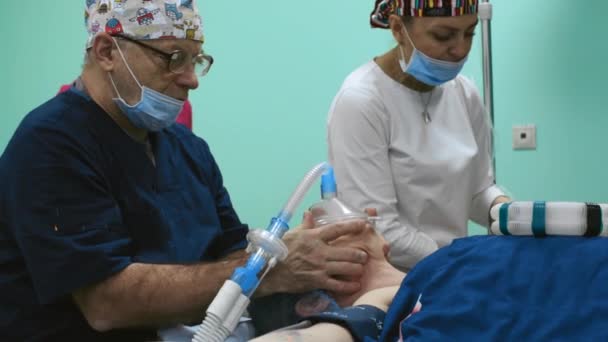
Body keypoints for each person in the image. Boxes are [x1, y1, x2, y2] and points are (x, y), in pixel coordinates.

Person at [0, 1, 372, 340]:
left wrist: (304, 251)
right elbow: (106, 304)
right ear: (107, 51)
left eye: (196, 60)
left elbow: (232, 252)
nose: (191, 78)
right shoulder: (51, 144)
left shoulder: (187, 149)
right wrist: (269, 270)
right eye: (173, 58)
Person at [327, 0, 510, 271]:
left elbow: (477, 192)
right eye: (443, 35)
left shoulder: (463, 92)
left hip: (452, 268)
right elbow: (380, 231)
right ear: (398, 28)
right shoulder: (362, 101)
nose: (460, 49)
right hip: (395, 280)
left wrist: (514, 215)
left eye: (469, 33)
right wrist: (460, 264)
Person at [254, 235, 608, 341]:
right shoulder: (415, 322)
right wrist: (371, 305)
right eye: (306, 236)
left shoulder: (448, 260)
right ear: (313, 304)